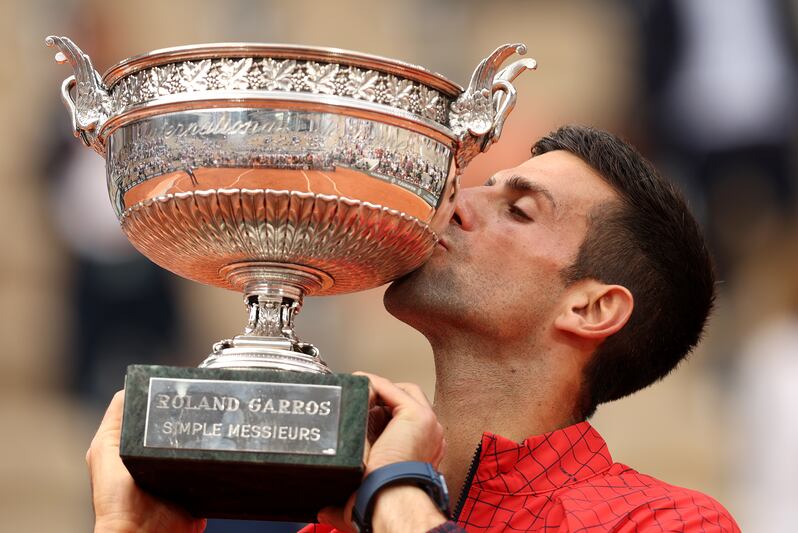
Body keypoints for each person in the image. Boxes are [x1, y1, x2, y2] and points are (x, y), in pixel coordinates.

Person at [85, 125, 740, 532]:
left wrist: (397, 495)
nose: (452, 204)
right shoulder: (337, 525)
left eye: (516, 208)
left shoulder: (668, 523)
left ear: (591, 307)